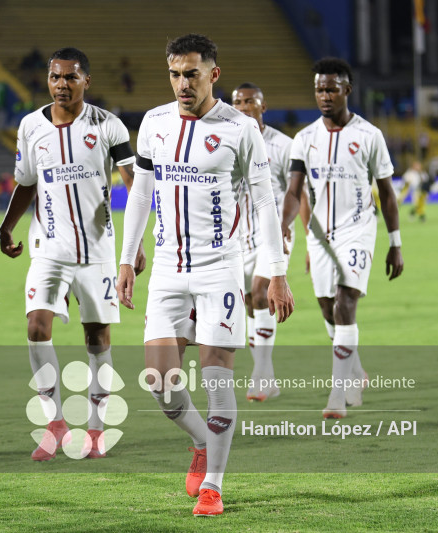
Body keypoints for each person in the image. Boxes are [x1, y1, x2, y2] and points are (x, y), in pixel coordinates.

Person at [116, 34, 294, 517]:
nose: (182, 83)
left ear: (213, 74)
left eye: (191, 73)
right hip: (169, 270)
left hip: (220, 270)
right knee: (160, 380)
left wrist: (275, 273)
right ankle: (201, 442)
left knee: (217, 379)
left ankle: (214, 485)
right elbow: (140, 194)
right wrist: (127, 258)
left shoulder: (239, 129)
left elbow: (263, 202)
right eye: (174, 73)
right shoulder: (153, 123)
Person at [0, 47, 145, 462]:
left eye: (70, 77)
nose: (62, 84)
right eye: (55, 77)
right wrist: (7, 226)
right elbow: (27, 182)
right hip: (49, 249)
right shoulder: (29, 127)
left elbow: (134, 186)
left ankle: (96, 432)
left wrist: (134, 247)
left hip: (98, 251)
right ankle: (55, 423)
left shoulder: (107, 125)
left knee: (96, 338)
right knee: (36, 327)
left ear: (86, 81)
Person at [282, 57, 403, 419]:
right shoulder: (304, 139)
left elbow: (388, 193)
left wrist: (395, 243)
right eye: (319, 89)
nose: (324, 95)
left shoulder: (369, 136)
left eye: (331, 89)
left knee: (345, 303)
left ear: (347, 90)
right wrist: (285, 226)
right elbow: (294, 192)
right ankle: (356, 371)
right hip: (321, 234)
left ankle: (338, 395)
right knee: (326, 308)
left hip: (358, 230)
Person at [231, 83, 305, 402]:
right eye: (238, 102)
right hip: (237, 237)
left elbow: (296, 192)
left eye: (250, 101)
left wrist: (287, 224)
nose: (244, 106)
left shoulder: (284, 145)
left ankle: (260, 376)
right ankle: (268, 375)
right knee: (249, 303)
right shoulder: (224, 143)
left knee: (262, 293)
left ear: (264, 106)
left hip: (272, 235)